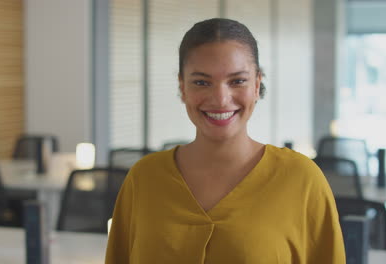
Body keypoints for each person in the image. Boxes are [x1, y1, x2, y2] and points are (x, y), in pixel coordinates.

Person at [105, 18, 345, 263]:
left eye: (237, 81)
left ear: (256, 84)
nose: (220, 99)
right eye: (201, 82)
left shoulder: (302, 179)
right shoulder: (144, 178)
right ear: (182, 87)